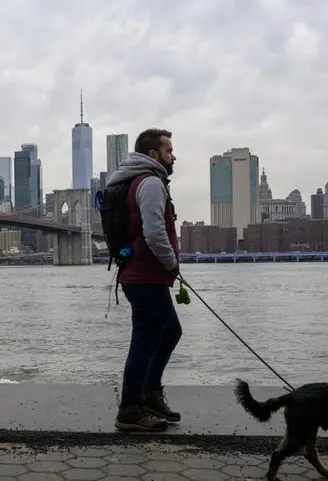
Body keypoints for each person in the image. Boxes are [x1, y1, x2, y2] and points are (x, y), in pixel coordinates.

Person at [104, 128, 182, 432]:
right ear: (153, 154)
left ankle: (149, 394)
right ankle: (130, 409)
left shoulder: (140, 179)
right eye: (169, 150)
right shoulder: (150, 182)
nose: (173, 156)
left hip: (143, 273)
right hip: (145, 274)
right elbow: (153, 231)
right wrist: (172, 263)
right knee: (145, 340)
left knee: (170, 331)